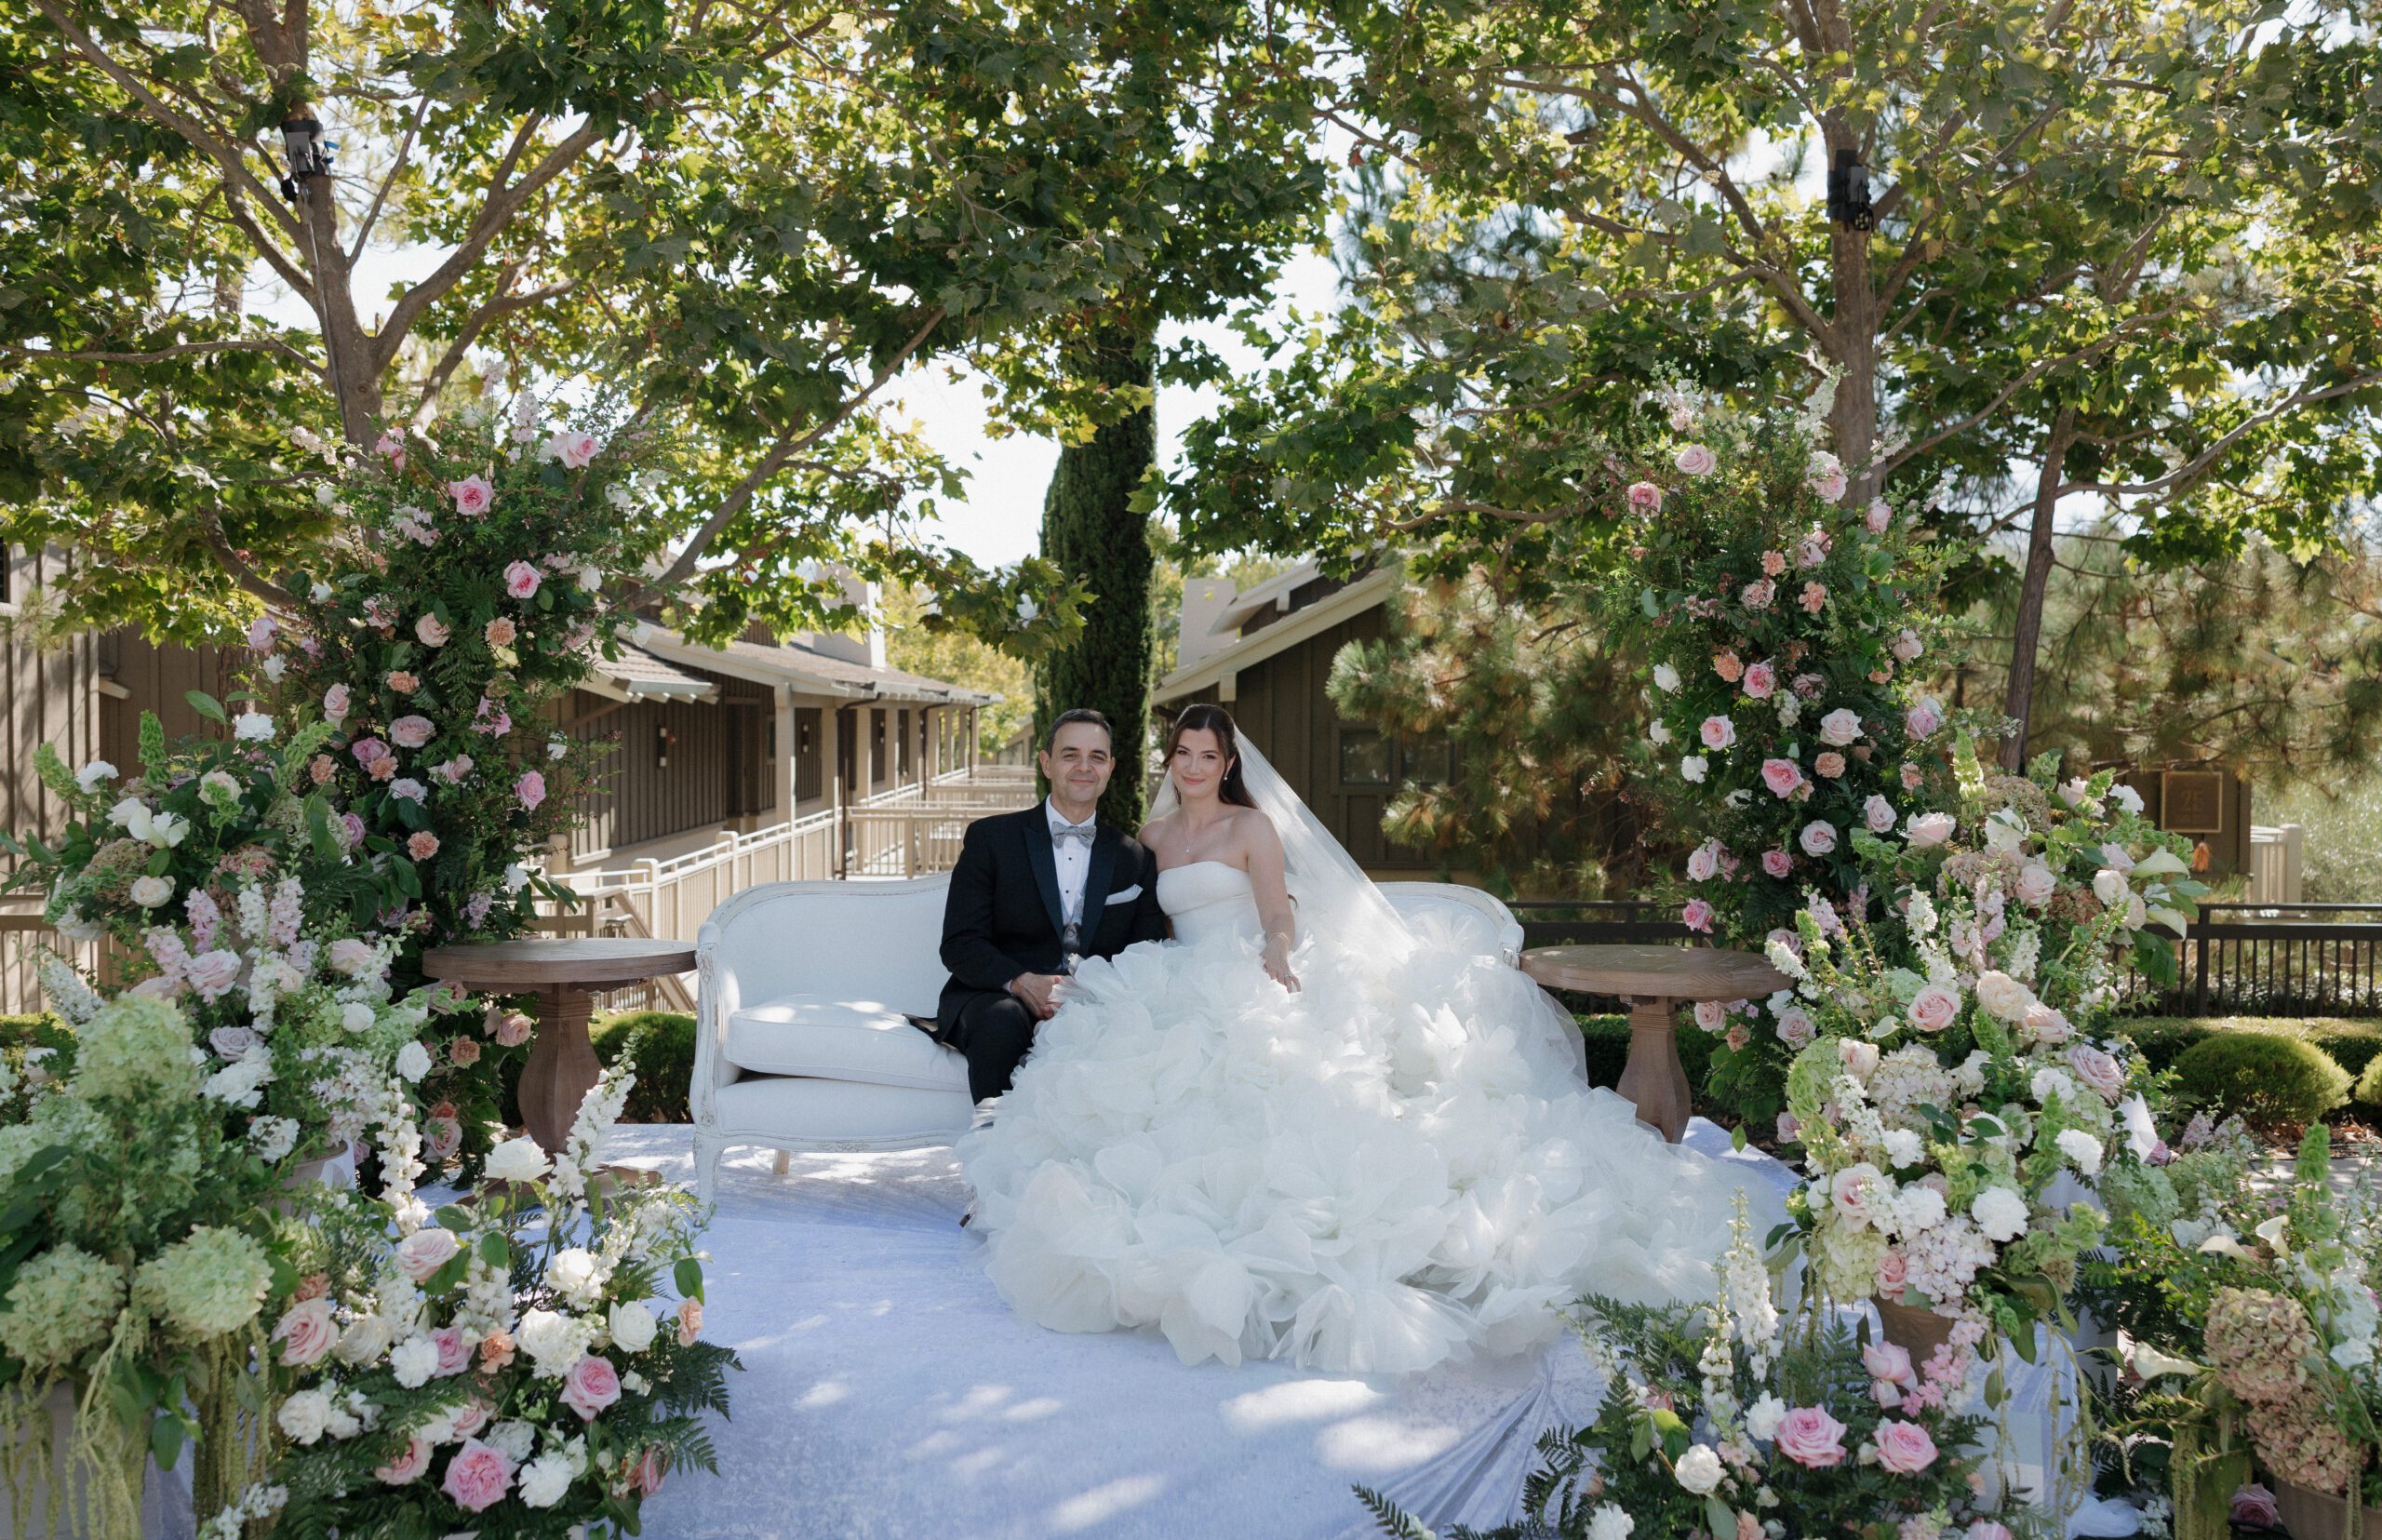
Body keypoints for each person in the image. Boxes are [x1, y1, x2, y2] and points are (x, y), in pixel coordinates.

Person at [956, 703, 1777, 1375]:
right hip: (1173, 980)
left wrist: (1278, 947)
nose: (1194, 766)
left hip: (1246, 972)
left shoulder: (1251, 829)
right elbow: (1139, 922)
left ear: (1228, 764)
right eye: (1183, 753)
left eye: (1208, 754)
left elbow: (1278, 908)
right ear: (1169, 760)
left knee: (1276, 1097)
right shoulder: (1148, 839)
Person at [935, 708, 1171, 1103]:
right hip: (1002, 996)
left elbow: (1146, 951)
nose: (1084, 766)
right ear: (1046, 763)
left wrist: (1089, 992)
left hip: (1095, 998)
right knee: (1000, 1022)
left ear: (1110, 768)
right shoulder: (992, 839)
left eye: (1097, 757)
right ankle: (993, 1145)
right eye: (1070, 754)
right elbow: (961, 943)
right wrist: (1023, 981)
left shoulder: (1135, 858)